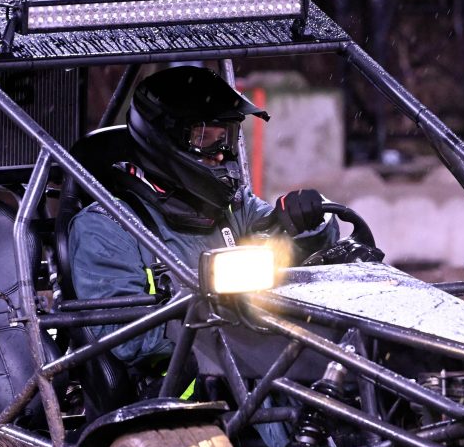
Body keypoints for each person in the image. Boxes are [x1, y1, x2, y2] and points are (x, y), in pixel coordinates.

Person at [67, 64, 338, 373]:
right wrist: (220, 319)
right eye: (205, 137)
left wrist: (308, 224)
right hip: (178, 397)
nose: (221, 153)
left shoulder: (234, 207)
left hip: (261, 377)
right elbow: (129, 340)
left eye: (227, 137)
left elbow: (293, 251)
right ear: (163, 138)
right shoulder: (105, 227)